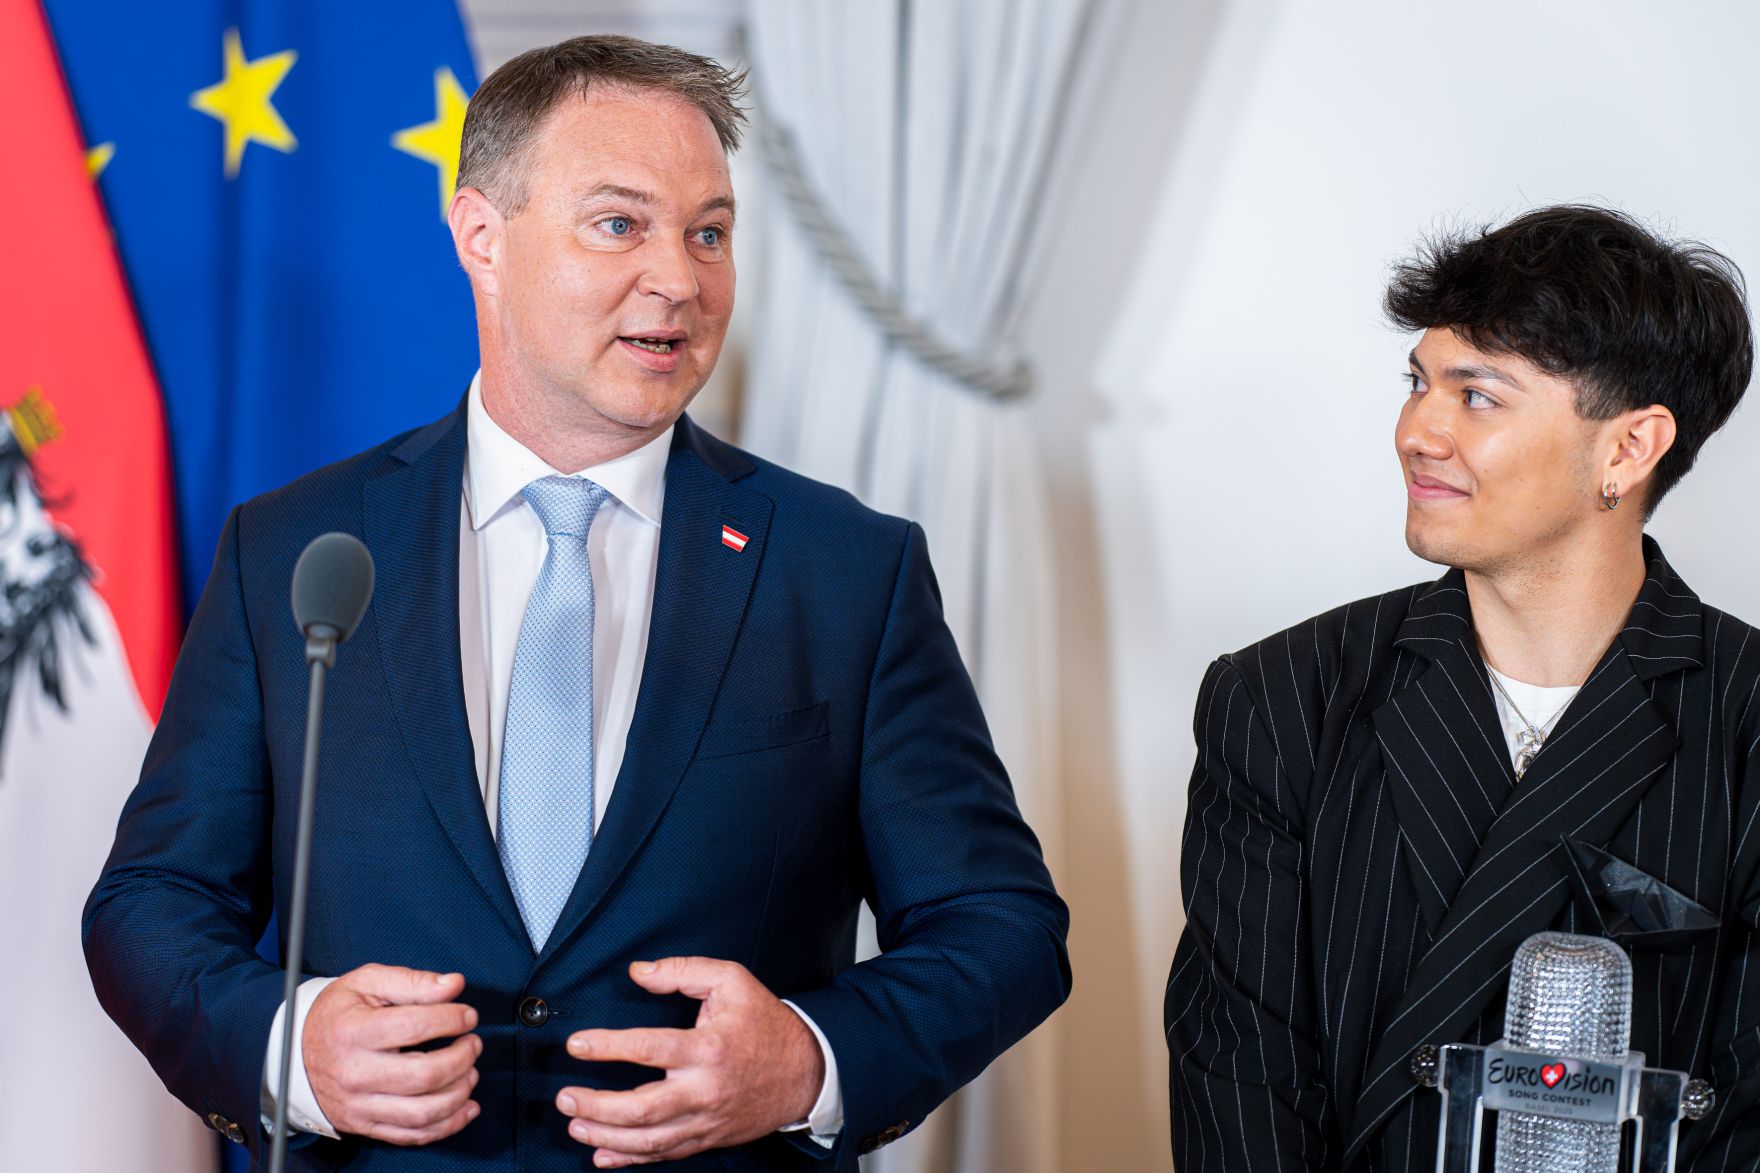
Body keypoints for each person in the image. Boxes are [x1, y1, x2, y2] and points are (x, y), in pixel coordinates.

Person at [84, 35, 1069, 1172]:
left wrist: (808, 1061)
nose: (681, 280)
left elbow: (1001, 926)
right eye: (619, 224)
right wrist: (293, 1050)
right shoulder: (297, 551)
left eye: (709, 232)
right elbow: (151, 902)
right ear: (482, 238)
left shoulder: (847, 569)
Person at [1165, 204, 1760, 1170]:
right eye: (1418, 382)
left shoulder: (1746, 717)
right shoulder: (1281, 698)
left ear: (1629, 448)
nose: (1418, 431)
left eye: (1477, 395)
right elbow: (1238, 1076)